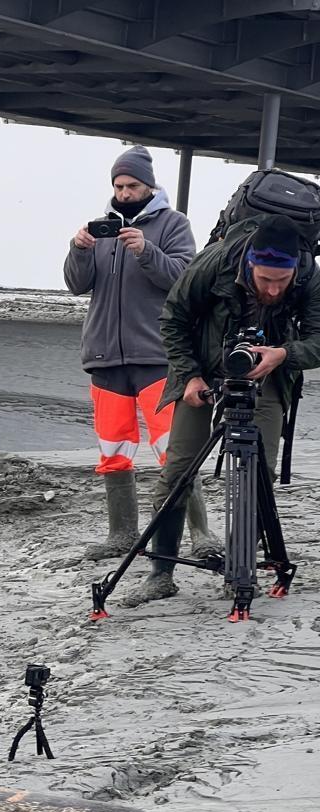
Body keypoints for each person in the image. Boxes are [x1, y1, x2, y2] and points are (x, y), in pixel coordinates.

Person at [125, 213, 320, 606]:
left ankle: (240, 570)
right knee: (178, 471)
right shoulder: (215, 262)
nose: (273, 289)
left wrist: (284, 353)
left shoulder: (310, 276)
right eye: (265, 280)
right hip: (203, 374)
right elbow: (173, 318)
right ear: (249, 263)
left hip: (267, 374)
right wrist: (191, 375)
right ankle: (160, 573)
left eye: (281, 282)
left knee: (256, 472)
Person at [64, 146, 215, 559]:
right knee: (112, 451)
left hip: (157, 356)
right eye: (118, 185)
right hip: (105, 357)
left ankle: (200, 534)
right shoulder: (100, 229)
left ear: (149, 185)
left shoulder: (173, 224)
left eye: (132, 185)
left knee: (175, 451)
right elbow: (76, 285)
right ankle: (121, 535)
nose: (125, 192)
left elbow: (184, 279)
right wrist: (78, 248)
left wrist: (147, 251)